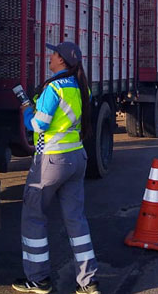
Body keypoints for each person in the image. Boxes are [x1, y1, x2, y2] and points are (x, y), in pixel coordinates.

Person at [13, 42, 100, 294]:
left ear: (61, 60)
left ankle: (38, 279)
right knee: (76, 220)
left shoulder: (53, 87)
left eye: (53, 54)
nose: (49, 57)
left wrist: (28, 111)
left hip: (51, 161)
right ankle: (88, 282)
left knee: (33, 216)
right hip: (76, 157)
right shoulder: (82, 88)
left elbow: (39, 126)